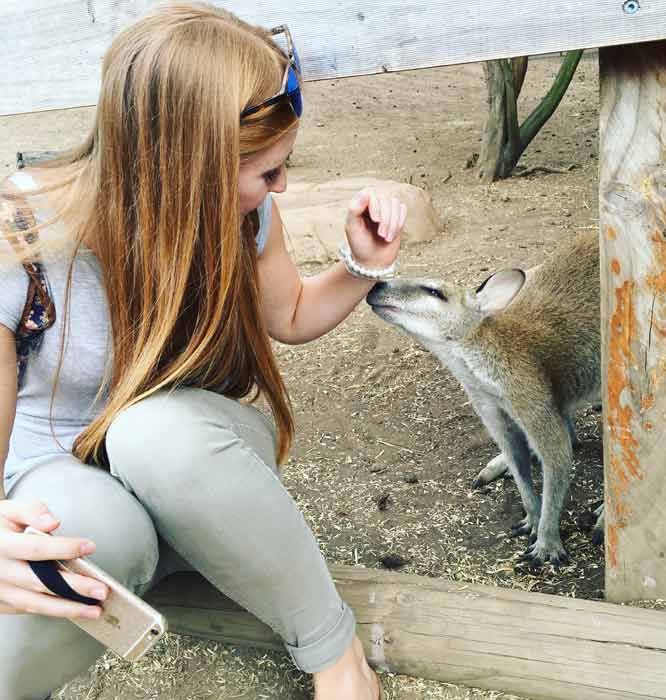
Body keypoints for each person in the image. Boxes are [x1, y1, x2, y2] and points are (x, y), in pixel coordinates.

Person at [0, 3, 405, 699]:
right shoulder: (23, 233)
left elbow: (292, 314)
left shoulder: (245, 214)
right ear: (180, 169)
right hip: (58, 470)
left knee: (150, 432)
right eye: (266, 171)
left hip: (194, 456)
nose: (281, 188)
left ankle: (336, 653)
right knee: (79, 536)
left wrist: (361, 265)